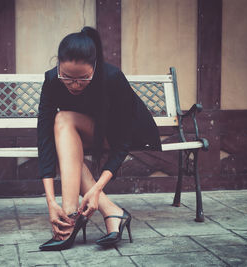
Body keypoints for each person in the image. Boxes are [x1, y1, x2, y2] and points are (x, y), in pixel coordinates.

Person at [37, 26, 161, 251]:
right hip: (91, 131)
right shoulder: (52, 80)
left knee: (63, 122)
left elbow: (123, 140)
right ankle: (92, 212)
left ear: (94, 68)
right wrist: (50, 202)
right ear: (57, 66)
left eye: (83, 78)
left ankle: (70, 221)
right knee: (60, 124)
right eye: (67, 77)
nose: (74, 84)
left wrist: (95, 190)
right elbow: (44, 139)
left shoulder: (112, 78)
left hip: (131, 133)